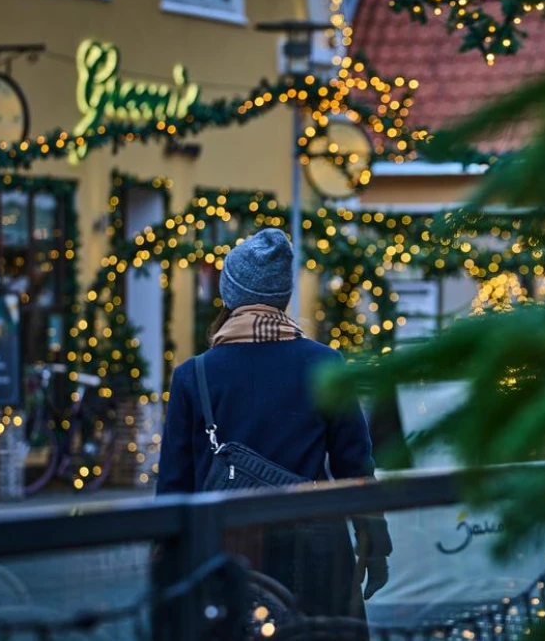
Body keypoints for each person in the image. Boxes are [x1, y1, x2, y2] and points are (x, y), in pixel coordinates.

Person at [158, 228, 389, 618]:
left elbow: (174, 486)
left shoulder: (193, 375)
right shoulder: (324, 363)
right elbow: (355, 466)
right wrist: (374, 544)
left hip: (223, 553)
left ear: (229, 295)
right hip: (314, 549)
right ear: (283, 297)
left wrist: (167, 564)